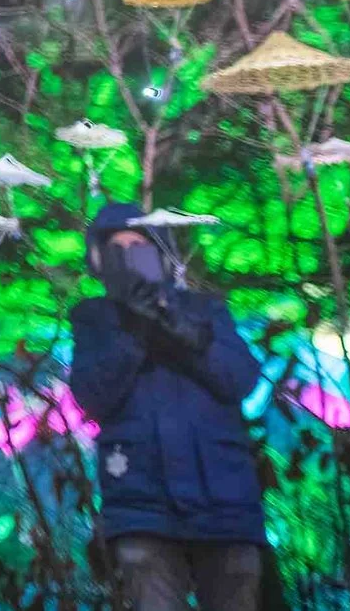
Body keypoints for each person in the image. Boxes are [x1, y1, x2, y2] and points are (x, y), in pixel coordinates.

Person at [68, 202, 271, 611]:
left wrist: (180, 327)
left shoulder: (204, 309)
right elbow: (91, 395)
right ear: (98, 261)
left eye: (138, 247)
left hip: (223, 498)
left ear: (159, 253)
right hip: (141, 504)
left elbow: (240, 379)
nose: (128, 258)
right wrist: (135, 337)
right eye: (116, 251)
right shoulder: (95, 320)